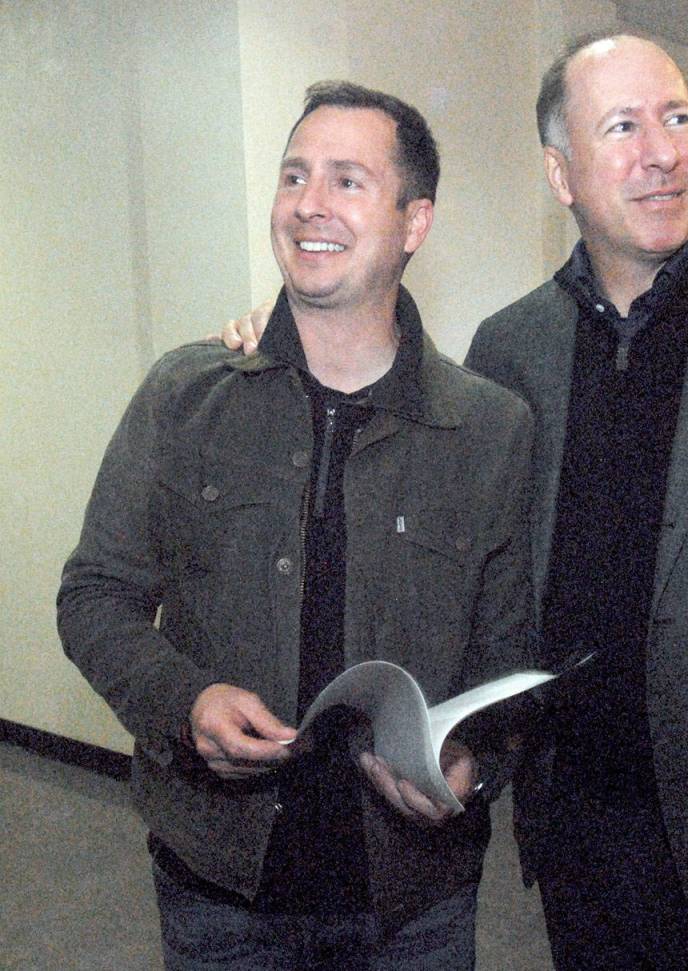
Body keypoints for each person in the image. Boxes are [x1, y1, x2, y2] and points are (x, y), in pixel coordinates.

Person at [223, 36, 688, 970]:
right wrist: (282, 332)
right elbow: (477, 571)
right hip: (577, 843)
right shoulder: (511, 350)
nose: (661, 151)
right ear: (561, 171)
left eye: (678, 118)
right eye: (622, 126)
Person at [57, 81, 534, 971]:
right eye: (293, 175)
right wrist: (184, 701)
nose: (309, 204)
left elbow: (508, 663)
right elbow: (94, 598)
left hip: (415, 904)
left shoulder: (489, 429)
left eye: (348, 180)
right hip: (219, 890)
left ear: (414, 220)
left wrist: (472, 764)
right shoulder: (184, 395)